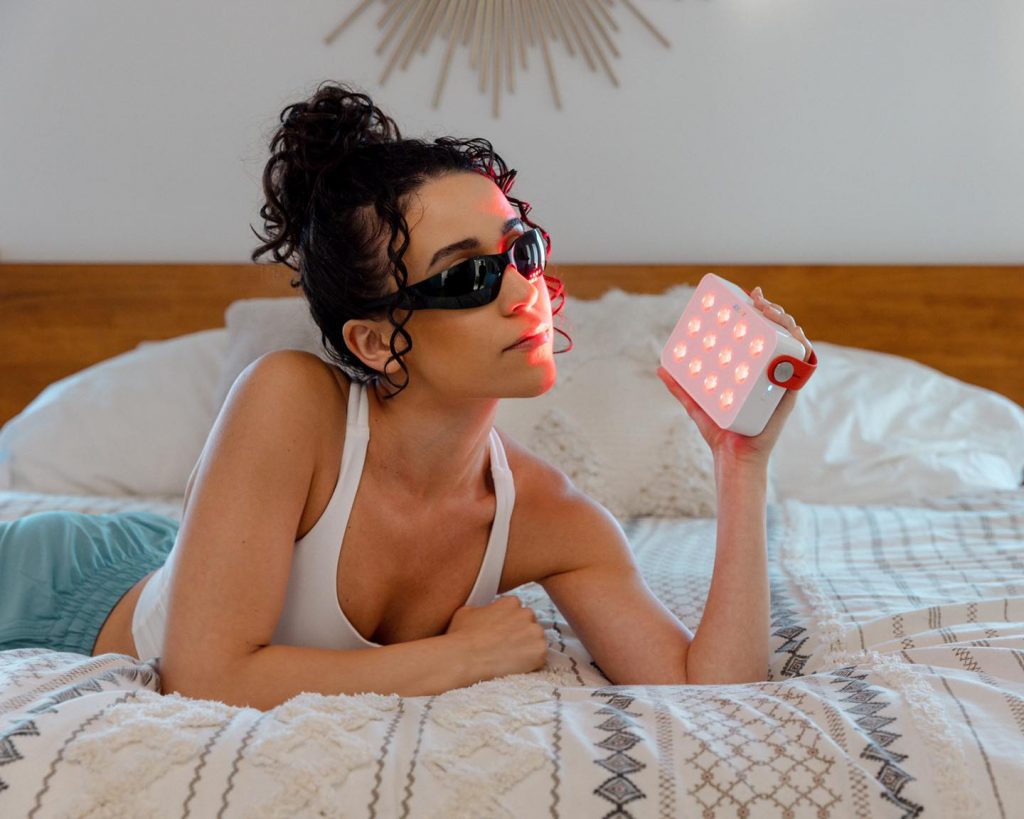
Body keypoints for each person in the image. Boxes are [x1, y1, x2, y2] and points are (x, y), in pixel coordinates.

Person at [0, 80, 813, 712]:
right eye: (467, 274)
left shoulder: (551, 516)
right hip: (71, 586)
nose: (522, 289)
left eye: (519, 249)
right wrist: (455, 659)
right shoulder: (290, 402)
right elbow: (204, 677)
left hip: (189, 562)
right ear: (377, 339)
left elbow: (709, 694)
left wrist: (740, 462)